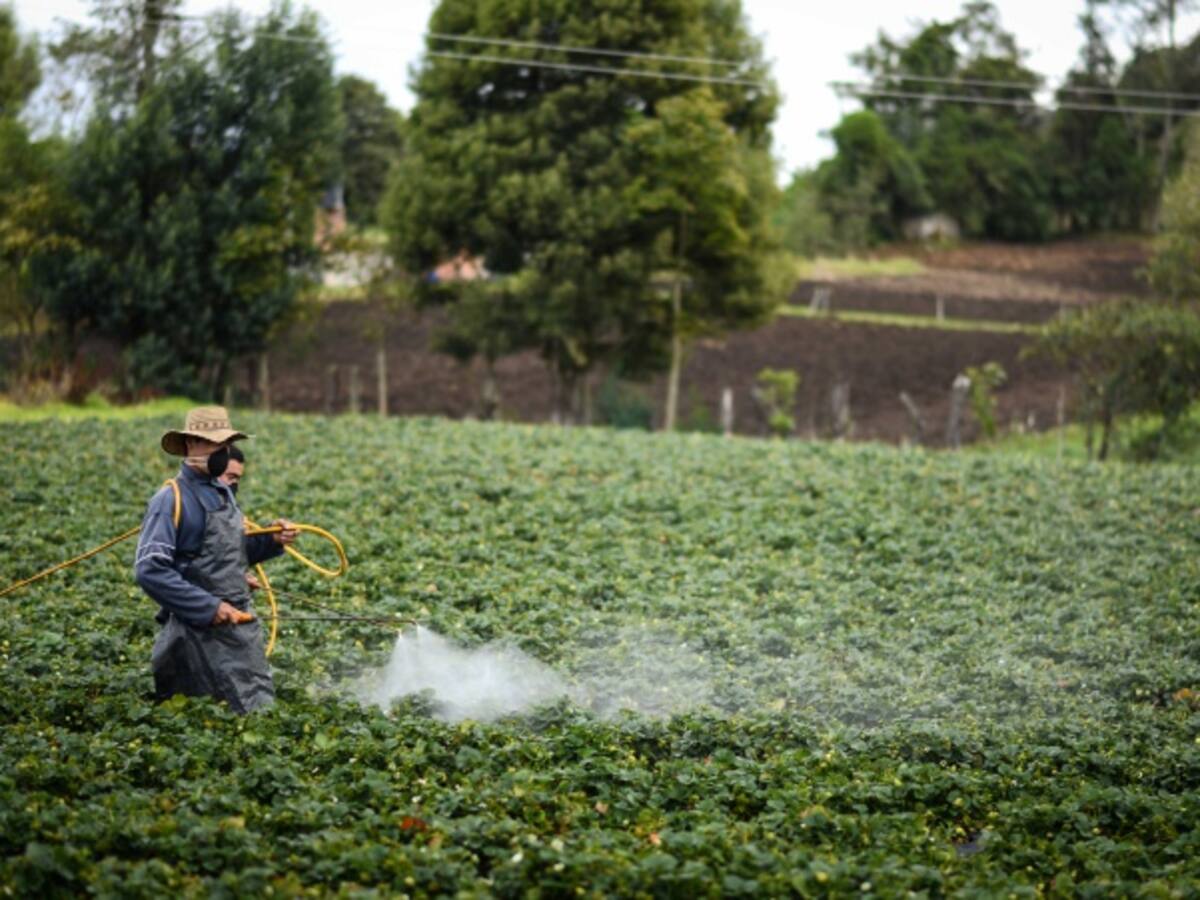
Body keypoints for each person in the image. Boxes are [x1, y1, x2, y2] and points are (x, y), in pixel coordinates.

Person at [134, 406, 296, 713]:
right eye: (214, 444)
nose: (221, 452)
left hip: (239, 633)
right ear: (190, 445)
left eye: (224, 445)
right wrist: (210, 607)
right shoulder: (170, 499)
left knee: (259, 718)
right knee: (208, 722)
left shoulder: (223, 494)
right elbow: (150, 570)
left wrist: (271, 540)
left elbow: (228, 553)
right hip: (196, 640)